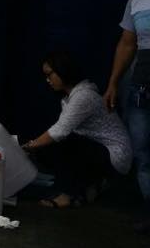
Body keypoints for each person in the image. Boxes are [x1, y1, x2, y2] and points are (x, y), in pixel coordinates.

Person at [24, 51, 132, 209]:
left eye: (50, 74)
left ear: (63, 71)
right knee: (50, 147)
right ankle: (91, 185)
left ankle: (67, 195)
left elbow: (59, 132)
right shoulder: (70, 97)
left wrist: (29, 146)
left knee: (63, 143)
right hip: (99, 150)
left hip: (115, 155)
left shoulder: (84, 96)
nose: (47, 80)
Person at [105, 0, 150, 231]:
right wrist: (113, 83)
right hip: (142, 89)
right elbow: (127, 44)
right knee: (142, 154)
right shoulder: (137, 1)